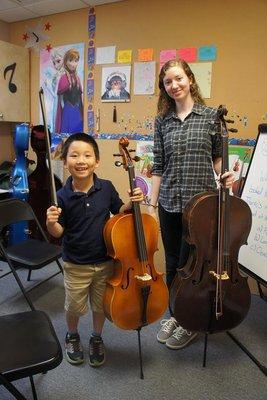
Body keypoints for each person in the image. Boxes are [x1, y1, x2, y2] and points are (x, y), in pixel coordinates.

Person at [148, 59, 235, 350]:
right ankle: (177, 314)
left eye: (178, 79)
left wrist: (226, 174)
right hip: (170, 202)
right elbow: (159, 165)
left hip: (200, 206)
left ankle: (189, 322)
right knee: (173, 263)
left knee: (193, 265)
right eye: (167, 82)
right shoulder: (162, 121)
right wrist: (151, 204)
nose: (174, 86)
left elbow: (217, 159)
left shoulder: (211, 117)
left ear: (189, 79)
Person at [46, 133, 144, 367]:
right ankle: (72, 334)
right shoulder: (61, 195)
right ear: (65, 161)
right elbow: (58, 232)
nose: (81, 160)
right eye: (74, 155)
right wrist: (51, 223)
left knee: (100, 305)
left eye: (87, 155)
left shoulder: (106, 188)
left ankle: (96, 337)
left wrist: (132, 202)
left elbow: (120, 211)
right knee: (74, 306)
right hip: (75, 263)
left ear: (97, 161)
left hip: (105, 261)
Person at [55, 49, 83, 134]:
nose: (73, 64)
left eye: (76, 61)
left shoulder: (77, 78)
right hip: (67, 111)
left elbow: (80, 100)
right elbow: (59, 102)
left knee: (78, 137)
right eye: (70, 60)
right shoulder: (63, 78)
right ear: (66, 61)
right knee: (67, 138)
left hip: (77, 112)